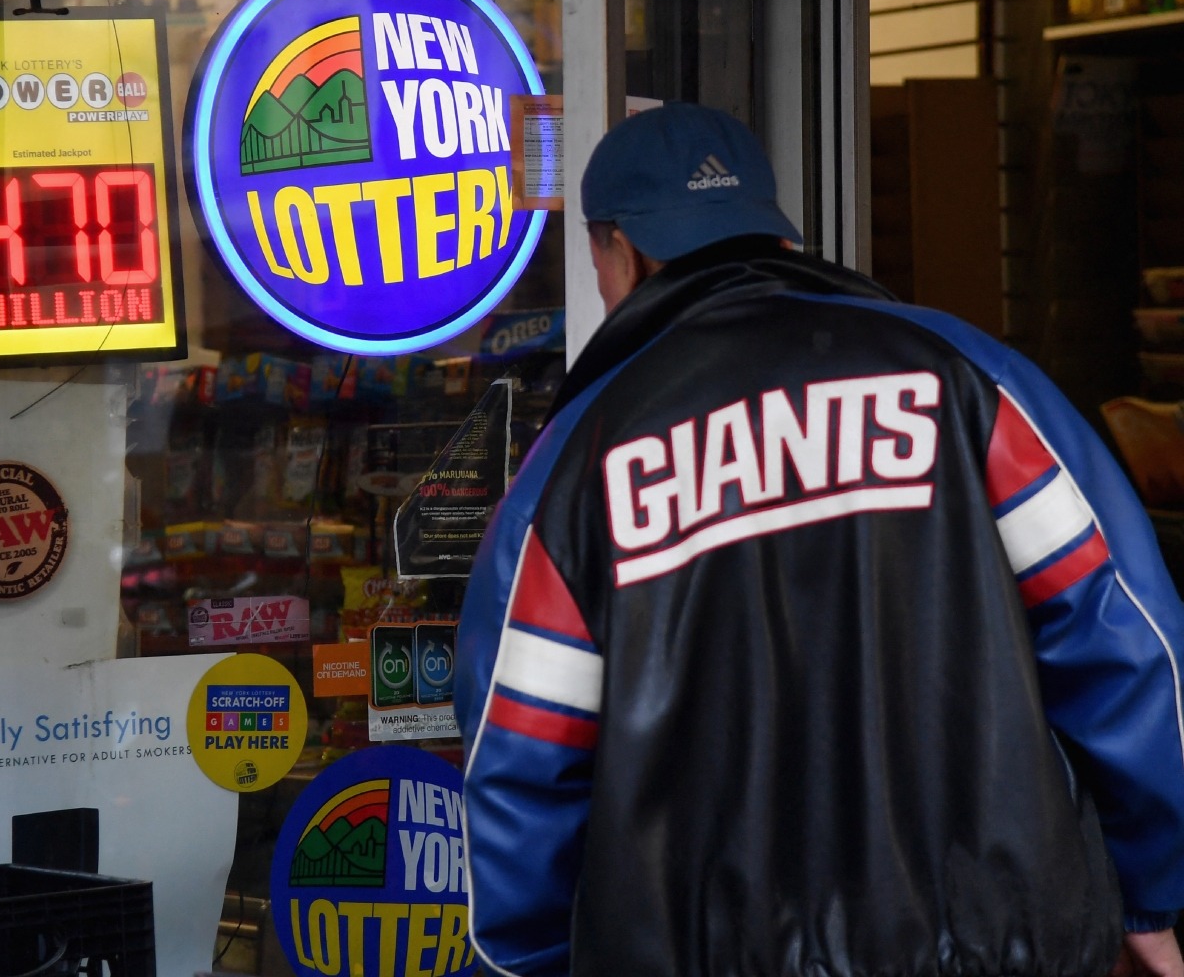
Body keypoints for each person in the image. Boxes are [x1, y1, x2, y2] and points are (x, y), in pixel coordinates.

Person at [454, 101, 1184, 977]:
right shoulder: (971, 382)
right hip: (996, 943)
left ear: (616, 251)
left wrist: (531, 957)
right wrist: (1148, 892)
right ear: (777, 233)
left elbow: (519, 748)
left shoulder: (572, 468)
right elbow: (1131, 640)